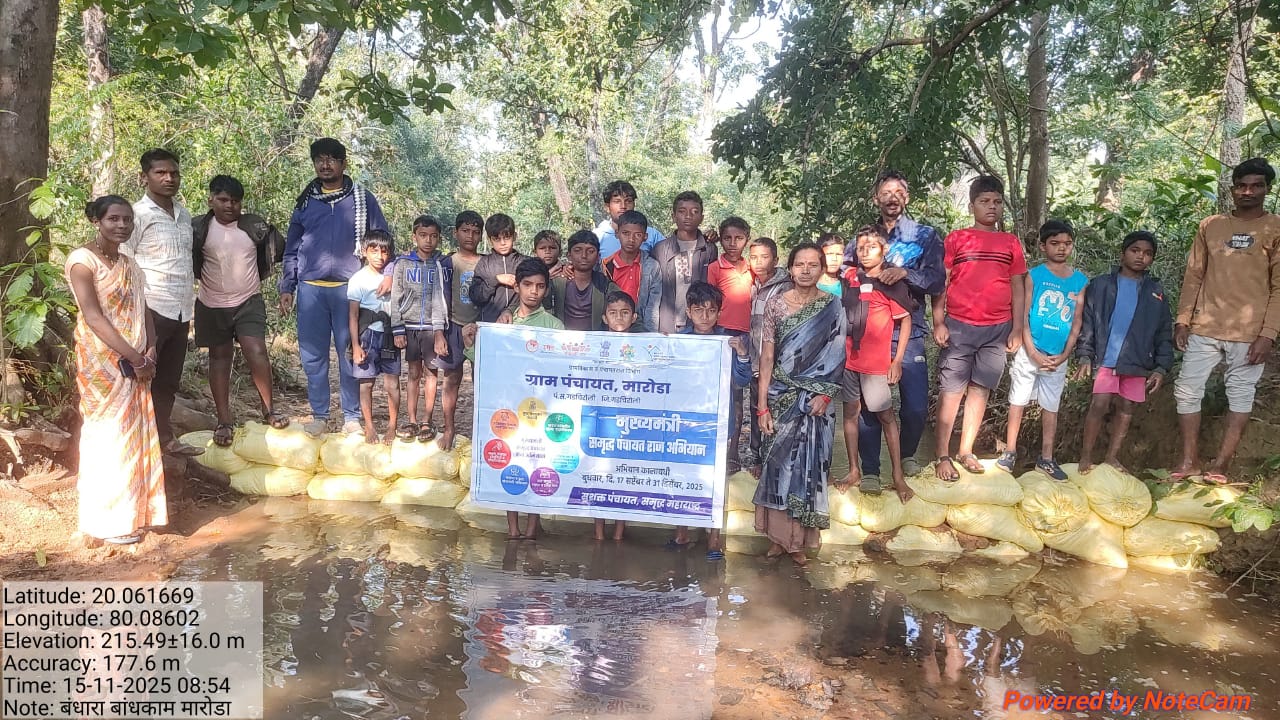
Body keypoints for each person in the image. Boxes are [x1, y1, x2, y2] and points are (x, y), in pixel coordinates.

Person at [1172, 157, 1280, 483]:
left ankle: (1221, 464)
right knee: (1186, 391)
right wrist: (1182, 319)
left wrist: (1268, 334)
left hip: (1250, 332)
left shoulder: (1275, 227)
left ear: (1267, 189)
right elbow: (1194, 275)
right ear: (1232, 189)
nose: (1248, 192)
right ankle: (1189, 461)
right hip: (1205, 326)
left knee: (1241, 393)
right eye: (1241, 186)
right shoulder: (1211, 225)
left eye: (1256, 186)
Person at [67, 196, 166, 545]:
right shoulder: (83, 262)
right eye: (113, 219)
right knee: (108, 435)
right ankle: (106, 522)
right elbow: (93, 317)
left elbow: (143, 309)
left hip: (136, 362)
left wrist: (150, 348)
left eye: (127, 219)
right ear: (97, 221)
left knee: (134, 435)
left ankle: (135, 514)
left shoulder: (129, 264)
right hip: (102, 364)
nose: (122, 225)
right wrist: (135, 357)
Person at [279, 137, 390, 436]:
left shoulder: (362, 199)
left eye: (331, 159)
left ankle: (351, 417)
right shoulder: (306, 201)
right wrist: (287, 286)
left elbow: (383, 240)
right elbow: (292, 248)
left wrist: (389, 274)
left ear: (343, 163)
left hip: (350, 290)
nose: (325, 164)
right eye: (319, 159)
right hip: (311, 290)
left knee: (350, 352)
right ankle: (320, 415)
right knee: (312, 356)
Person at [755, 243, 846, 567]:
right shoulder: (776, 305)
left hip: (817, 401)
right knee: (777, 464)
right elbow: (767, 356)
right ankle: (778, 539)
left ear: (822, 269)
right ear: (790, 269)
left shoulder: (832, 306)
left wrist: (825, 394)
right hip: (781, 396)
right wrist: (762, 406)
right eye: (800, 264)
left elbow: (837, 352)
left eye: (812, 264)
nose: (806, 270)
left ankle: (798, 543)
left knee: (809, 467)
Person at [933, 175, 1027, 481]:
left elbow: (1017, 286)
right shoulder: (957, 239)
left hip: (997, 330)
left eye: (997, 202)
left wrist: (1017, 328)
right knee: (951, 391)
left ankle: (966, 451)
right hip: (959, 326)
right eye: (985, 201)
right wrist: (938, 321)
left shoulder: (1010, 242)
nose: (992, 207)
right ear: (972, 205)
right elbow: (941, 282)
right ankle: (942, 455)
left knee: (980, 390)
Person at [853, 171, 945, 480]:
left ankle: (907, 456)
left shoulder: (925, 236)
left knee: (915, 406)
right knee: (869, 405)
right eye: (885, 193)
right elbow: (845, 272)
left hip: (910, 330)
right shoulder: (865, 238)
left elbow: (937, 280)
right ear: (876, 198)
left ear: (907, 197)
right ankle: (870, 469)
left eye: (898, 192)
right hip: (869, 334)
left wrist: (905, 274)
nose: (892, 198)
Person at [192, 175, 289, 447]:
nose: (229, 206)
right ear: (211, 200)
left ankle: (269, 411)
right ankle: (224, 421)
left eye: (235, 201)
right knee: (219, 358)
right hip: (211, 304)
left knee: (256, 351)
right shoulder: (198, 228)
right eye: (223, 200)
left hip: (248, 301)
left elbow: (280, 250)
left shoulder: (254, 227)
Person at [123, 148, 201, 457]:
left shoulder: (184, 215)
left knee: (168, 380)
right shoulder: (135, 215)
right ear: (144, 177)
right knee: (141, 377)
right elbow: (125, 262)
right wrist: (134, 309)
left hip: (181, 310)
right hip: (150, 308)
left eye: (174, 173)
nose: (169, 178)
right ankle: (136, 443)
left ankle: (163, 439)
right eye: (161, 173)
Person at [1074, 231, 1173, 473]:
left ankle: (1111, 457)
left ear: (1152, 259)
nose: (1140, 257)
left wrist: (1161, 367)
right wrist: (1085, 354)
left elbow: (1163, 331)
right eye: (1135, 250)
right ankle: (1086, 457)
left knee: (1127, 407)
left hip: (1137, 361)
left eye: (1147, 253)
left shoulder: (1156, 292)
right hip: (1107, 359)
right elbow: (1088, 322)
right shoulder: (1101, 285)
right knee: (1099, 404)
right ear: (1123, 253)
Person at [996, 220, 1087, 480]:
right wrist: (1032, 351)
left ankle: (1046, 458)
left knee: (1051, 406)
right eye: (1055, 243)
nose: (1061, 248)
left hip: (1057, 356)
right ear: (1043, 246)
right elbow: (1024, 315)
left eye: (1067, 243)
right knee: (1018, 400)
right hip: (1030, 351)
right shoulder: (1034, 275)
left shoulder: (1080, 281)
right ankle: (1010, 452)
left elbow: (1077, 321)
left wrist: (1065, 354)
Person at [672, 282, 752, 560]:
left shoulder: (729, 341)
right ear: (688, 312)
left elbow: (742, 380)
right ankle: (681, 533)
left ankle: (714, 540)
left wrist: (742, 355)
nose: (705, 316)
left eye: (711, 310)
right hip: (684, 421)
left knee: (715, 481)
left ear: (719, 312)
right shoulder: (679, 341)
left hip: (717, 422)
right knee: (682, 476)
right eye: (698, 310)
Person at [838, 226, 915, 501]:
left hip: (876, 365)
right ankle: (854, 470)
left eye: (872, 247)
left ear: (885, 250)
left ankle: (897, 476)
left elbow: (905, 320)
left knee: (886, 416)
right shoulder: (850, 278)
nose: (865, 252)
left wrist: (897, 360)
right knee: (850, 412)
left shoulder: (890, 282)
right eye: (860, 248)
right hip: (849, 361)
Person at [503, 258, 564, 540]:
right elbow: (487, 359)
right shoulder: (505, 322)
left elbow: (562, 367)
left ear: (546, 289)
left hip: (541, 407)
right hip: (508, 405)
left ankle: (531, 529)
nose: (533, 291)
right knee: (511, 464)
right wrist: (471, 339)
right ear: (516, 287)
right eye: (527, 285)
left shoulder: (554, 325)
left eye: (540, 286)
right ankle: (513, 529)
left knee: (538, 463)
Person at [390, 215, 453, 447]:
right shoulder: (403, 264)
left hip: (431, 328)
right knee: (413, 373)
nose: (428, 241)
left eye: (433, 236)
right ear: (414, 236)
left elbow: (440, 298)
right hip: (409, 326)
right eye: (423, 235)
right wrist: (397, 328)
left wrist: (439, 330)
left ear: (439, 238)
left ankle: (427, 420)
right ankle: (411, 420)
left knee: (431, 373)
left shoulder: (441, 263)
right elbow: (395, 297)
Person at [706, 216, 754, 472]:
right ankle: (714, 449)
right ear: (720, 240)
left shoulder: (752, 267)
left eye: (739, 238)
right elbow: (709, 302)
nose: (733, 243)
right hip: (721, 335)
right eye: (727, 238)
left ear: (747, 239)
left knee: (738, 394)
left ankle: (733, 451)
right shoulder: (715, 268)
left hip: (745, 335)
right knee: (719, 393)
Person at [595, 290, 643, 542]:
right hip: (601, 420)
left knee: (624, 478)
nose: (619, 318)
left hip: (629, 421)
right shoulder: (594, 346)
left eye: (625, 313)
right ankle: (599, 534)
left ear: (634, 317)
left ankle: (618, 534)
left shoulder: (644, 347)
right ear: (604, 317)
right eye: (613, 313)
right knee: (598, 475)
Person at [347, 230, 401, 444]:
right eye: (374, 251)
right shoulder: (358, 280)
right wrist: (355, 345)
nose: (380, 256)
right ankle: (369, 426)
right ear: (364, 251)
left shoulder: (394, 275)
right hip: (367, 336)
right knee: (366, 383)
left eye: (384, 251)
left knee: (392, 384)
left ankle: (392, 426)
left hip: (389, 334)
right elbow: (353, 315)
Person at [640, 191, 718, 333]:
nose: (688, 216)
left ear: (702, 218)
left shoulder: (708, 249)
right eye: (682, 211)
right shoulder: (660, 249)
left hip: (699, 324)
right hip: (666, 324)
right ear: (673, 216)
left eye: (694, 212)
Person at [747, 237, 791, 473]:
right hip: (756, 359)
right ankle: (756, 457)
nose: (759, 262)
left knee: (775, 410)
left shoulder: (784, 287)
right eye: (754, 257)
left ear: (775, 259)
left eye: (764, 257)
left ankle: (774, 460)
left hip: (776, 362)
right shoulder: (753, 284)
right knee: (756, 407)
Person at [541, 231, 620, 330]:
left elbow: (625, 308)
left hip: (595, 338)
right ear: (569, 256)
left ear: (598, 257)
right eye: (577, 251)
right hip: (561, 337)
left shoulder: (605, 285)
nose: (584, 256)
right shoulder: (557, 282)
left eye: (590, 251)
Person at [444, 210, 484, 374]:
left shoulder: (487, 262)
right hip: (454, 324)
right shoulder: (448, 262)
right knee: (452, 377)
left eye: (476, 232)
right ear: (455, 232)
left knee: (481, 374)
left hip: (480, 326)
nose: (470, 236)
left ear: (481, 236)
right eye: (465, 231)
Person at [469, 213, 528, 323]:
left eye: (507, 237)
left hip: (520, 323)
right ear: (489, 240)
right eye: (497, 239)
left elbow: (533, 295)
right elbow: (476, 297)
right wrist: (496, 280)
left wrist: (510, 310)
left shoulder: (525, 263)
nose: (503, 243)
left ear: (514, 236)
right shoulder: (484, 264)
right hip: (490, 324)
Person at [593, 180, 665, 258]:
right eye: (617, 201)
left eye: (628, 201)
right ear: (607, 207)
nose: (623, 206)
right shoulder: (598, 237)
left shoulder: (652, 235)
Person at [602, 210, 648, 303]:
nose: (631, 239)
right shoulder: (606, 266)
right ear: (617, 233)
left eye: (638, 235)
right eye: (626, 233)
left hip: (641, 312)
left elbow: (653, 303)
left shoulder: (651, 266)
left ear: (645, 237)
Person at [817, 232, 845, 297]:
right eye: (829, 254)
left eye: (838, 254)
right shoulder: (809, 286)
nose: (834, 259)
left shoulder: (850, 285)